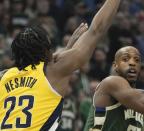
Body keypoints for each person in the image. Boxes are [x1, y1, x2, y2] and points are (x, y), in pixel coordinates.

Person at [0, 0, 121, 130]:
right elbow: (97, 30)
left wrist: (68, 47)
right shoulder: (53, 71)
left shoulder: (3, 76)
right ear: (46, 52)